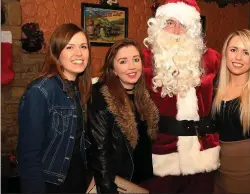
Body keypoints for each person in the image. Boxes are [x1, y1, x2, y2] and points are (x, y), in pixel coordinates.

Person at [142, 0, 221, 193]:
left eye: (183, 25)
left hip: (202, 153)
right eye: (170, 23)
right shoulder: (143, 57)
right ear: (159, 25)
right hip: (161, 152)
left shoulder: (212, 58)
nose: (176, 31)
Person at [17, 23, 93, 193]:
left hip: (77, 180)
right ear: (57, 53)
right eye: (69, 47)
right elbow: (29, 157)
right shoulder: (40, 91)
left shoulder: (80, 88)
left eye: (83, 46)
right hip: (52, 185)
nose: (79, 53)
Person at [87, 38, 159, 193]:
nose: (132, 67)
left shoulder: (143, 97)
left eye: (136, 59)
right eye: (123, 61)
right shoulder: (101, 98)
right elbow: (100, 154)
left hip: (145, 180)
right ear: (113, 69)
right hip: (119, 183)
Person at [212, 29, 250, 193]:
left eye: (246, 52)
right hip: (215, 164)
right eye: (233, 50)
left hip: (243, 166)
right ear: (225, 52)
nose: (238, 57)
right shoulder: (216, 85)